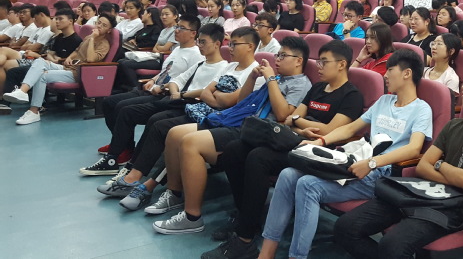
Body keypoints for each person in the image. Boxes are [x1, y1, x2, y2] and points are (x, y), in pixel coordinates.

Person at [256, 49, 432, 259]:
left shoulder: (421, 109)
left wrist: (372, 163)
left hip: (380, 174)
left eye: (390, 70)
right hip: (355, 161)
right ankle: (266, 253)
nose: (385, 75)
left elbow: (414, 148)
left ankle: (297, 256)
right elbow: (350, 129)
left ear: (407, 73)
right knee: (288, 174)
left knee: (308, 185)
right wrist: (320, 141)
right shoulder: (384, 101)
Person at [202, 40, 368, 257]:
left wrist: (299, 122)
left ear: (341, 64)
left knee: (259, 157)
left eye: (324, 62)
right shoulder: (317, 88)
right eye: (319, 61)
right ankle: (245, 217)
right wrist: (301, 124)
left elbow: (329, 130)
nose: (318, 66)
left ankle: (245, 239)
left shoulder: (351, 95)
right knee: (235, 149)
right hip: (294, 141)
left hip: (319, 152)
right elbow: (289, 119)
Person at [334, 62, 463, 259]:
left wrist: (439, 165)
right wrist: (445, 168)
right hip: (421, 192)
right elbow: (423, 166)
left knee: (393, 245)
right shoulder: (454, 126)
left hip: (454, 207)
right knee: (345, 227)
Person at [151, 38, 314, 236]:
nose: (277, 59)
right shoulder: (278, 78)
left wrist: (270, 79)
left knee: (190, 143)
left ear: (298, 60)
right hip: (241, 121)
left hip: (257, 131)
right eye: (277, 55)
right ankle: (174, 193)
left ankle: (192, 217)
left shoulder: (300, 84)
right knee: (174, 134)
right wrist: (252, 78)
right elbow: (242, 102)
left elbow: (282, 115)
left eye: (283, 56)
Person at [103, 27, 258, 204]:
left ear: (250, 46)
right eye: (230, 44)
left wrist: (216, 98)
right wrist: (216, 98)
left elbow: (232, 101)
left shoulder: (254, 72)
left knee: (168, 129)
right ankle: (134, 174)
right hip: (204, 111)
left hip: (222, 120)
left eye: (234, 44)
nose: (229, 48)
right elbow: (206, 92)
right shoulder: (230, 66)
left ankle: (147, 184)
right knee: (156, 123)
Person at [80, 16, 204, 175]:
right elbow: (166, 72)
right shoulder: (177, 49)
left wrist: (162, 87)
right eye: (176, 27)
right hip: (153, 88)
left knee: (123, 107)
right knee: (109, 102)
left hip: (163, 94)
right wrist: (152, 79)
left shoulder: (195, 55)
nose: (176, 30)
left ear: (193, 33)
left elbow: (186, 82)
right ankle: (124, 146)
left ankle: (116, 155)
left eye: (182, 28)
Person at [5, 14, 117, 125]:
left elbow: (91, 59)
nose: (99, 26)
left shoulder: (104, 44)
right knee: (40, 61)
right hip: (68, 67)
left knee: (42, 75)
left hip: (79, 73)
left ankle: (34, 111)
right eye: (99, 23)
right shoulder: (88, 38)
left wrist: (93, 38)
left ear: (109, 30)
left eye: (104, 25)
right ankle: (22, 91)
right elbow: (77, 51)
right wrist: (69, 57)